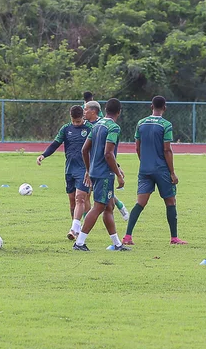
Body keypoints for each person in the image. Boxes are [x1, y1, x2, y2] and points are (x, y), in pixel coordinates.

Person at [123, 96, 186, 246]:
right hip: (161, 170)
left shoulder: (141, 123)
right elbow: (167, 149)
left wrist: (144, 162)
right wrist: (172, 172)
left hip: (145, 169)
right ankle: (174, 238)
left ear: (151, 106)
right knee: (170, 202)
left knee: (140, 203)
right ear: (165, 107)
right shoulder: (166, 125)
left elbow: (137, 147)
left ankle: (127, 237)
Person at [74, 98, 129, 251]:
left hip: (94, 171)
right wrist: (118, 174)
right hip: (105, 173)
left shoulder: (97, 125)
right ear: (119, 112)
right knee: (98, 207)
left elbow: (84, 150)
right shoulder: (113, 127)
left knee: (109, 206)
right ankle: (79, 243)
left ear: (105, 110)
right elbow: (108, 154)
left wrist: (88, 169)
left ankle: (117, 244)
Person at [37, 104, 94, 240]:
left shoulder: (90, 129)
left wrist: (91, 168)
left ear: (83, 117)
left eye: (78, 121)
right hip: (70, 169)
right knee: (72, 202)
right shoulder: (66, 129)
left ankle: (74, 229)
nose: (76, 124)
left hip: (84, 170)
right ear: (71, 118)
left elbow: (98, 148)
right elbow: (55, 144)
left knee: (80, 198)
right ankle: (76, 228)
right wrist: (43, 155)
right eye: (74, 121)